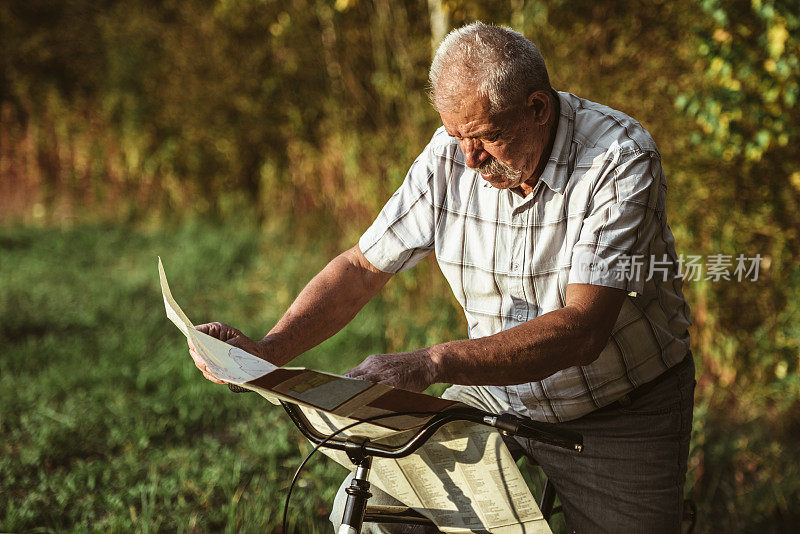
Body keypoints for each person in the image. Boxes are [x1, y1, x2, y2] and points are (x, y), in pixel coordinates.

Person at [189, 22, 695, 534]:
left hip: (618, 404)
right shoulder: (449, 154)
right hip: (496, 390)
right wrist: (270, 350)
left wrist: (432, 362)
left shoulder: (620, 158)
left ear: (538, 109)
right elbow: (361, 268)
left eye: (484, 138)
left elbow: (584, 329)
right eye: (456, 136)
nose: (469, 159)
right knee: (376, 508)